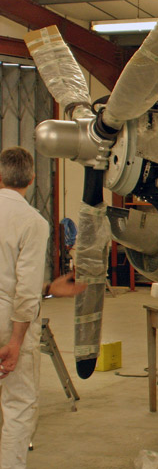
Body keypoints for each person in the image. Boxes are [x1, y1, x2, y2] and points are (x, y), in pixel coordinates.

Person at [0, 146, 87, 468]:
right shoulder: (32, 222)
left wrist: (48, 289)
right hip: (9, 321)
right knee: (19, 405)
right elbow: (22, 290)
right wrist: (15, 342)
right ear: (32, 178)